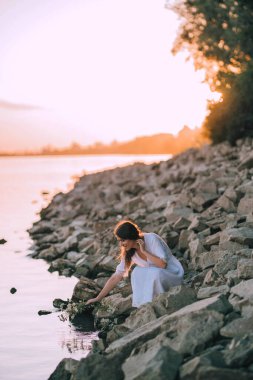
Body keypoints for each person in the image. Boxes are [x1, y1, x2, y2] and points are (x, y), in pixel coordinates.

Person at [86, 220, 184, 308]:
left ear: (132, 237)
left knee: (154, 273)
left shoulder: (151, 238)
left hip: (171, 273)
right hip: (156, 277)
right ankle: (144, 305)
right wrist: (98, 298)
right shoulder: (129, 252)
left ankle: (158, 301)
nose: (121, 244)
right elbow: (116, 276)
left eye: (123, 240)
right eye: (119, 241)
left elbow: (163, 265)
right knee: (137, 272)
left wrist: (144, 251)